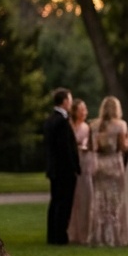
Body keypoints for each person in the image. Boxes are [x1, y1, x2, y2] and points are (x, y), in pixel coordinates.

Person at [88, 95, 128, 246]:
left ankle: (98, 236)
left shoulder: (93, 125)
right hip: (114, 164)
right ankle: (114, 236)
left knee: (99, 201)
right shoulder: (120, 125)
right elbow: (122, 147)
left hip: (99, 164)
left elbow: (91, 147)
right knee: (115, 201)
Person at [42, 87, 80, 245]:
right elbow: (66, 149)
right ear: (64, 101)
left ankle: (52, 234)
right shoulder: (62, 122)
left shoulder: (49, 120)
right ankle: (60, 236)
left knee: (55, 201)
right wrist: (74, 167)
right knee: (64, 203)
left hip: (54, 168)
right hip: (64, 170)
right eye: (69, 100)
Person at [66, 99, 94, 245]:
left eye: (85, 109)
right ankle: (71, 231)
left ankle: (84, 232)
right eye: (81, 109)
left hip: (85, 164)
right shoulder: (69, 126)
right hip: (72, 162)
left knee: (85, 198)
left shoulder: (87, 127)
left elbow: (89, 145)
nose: (84, 112)